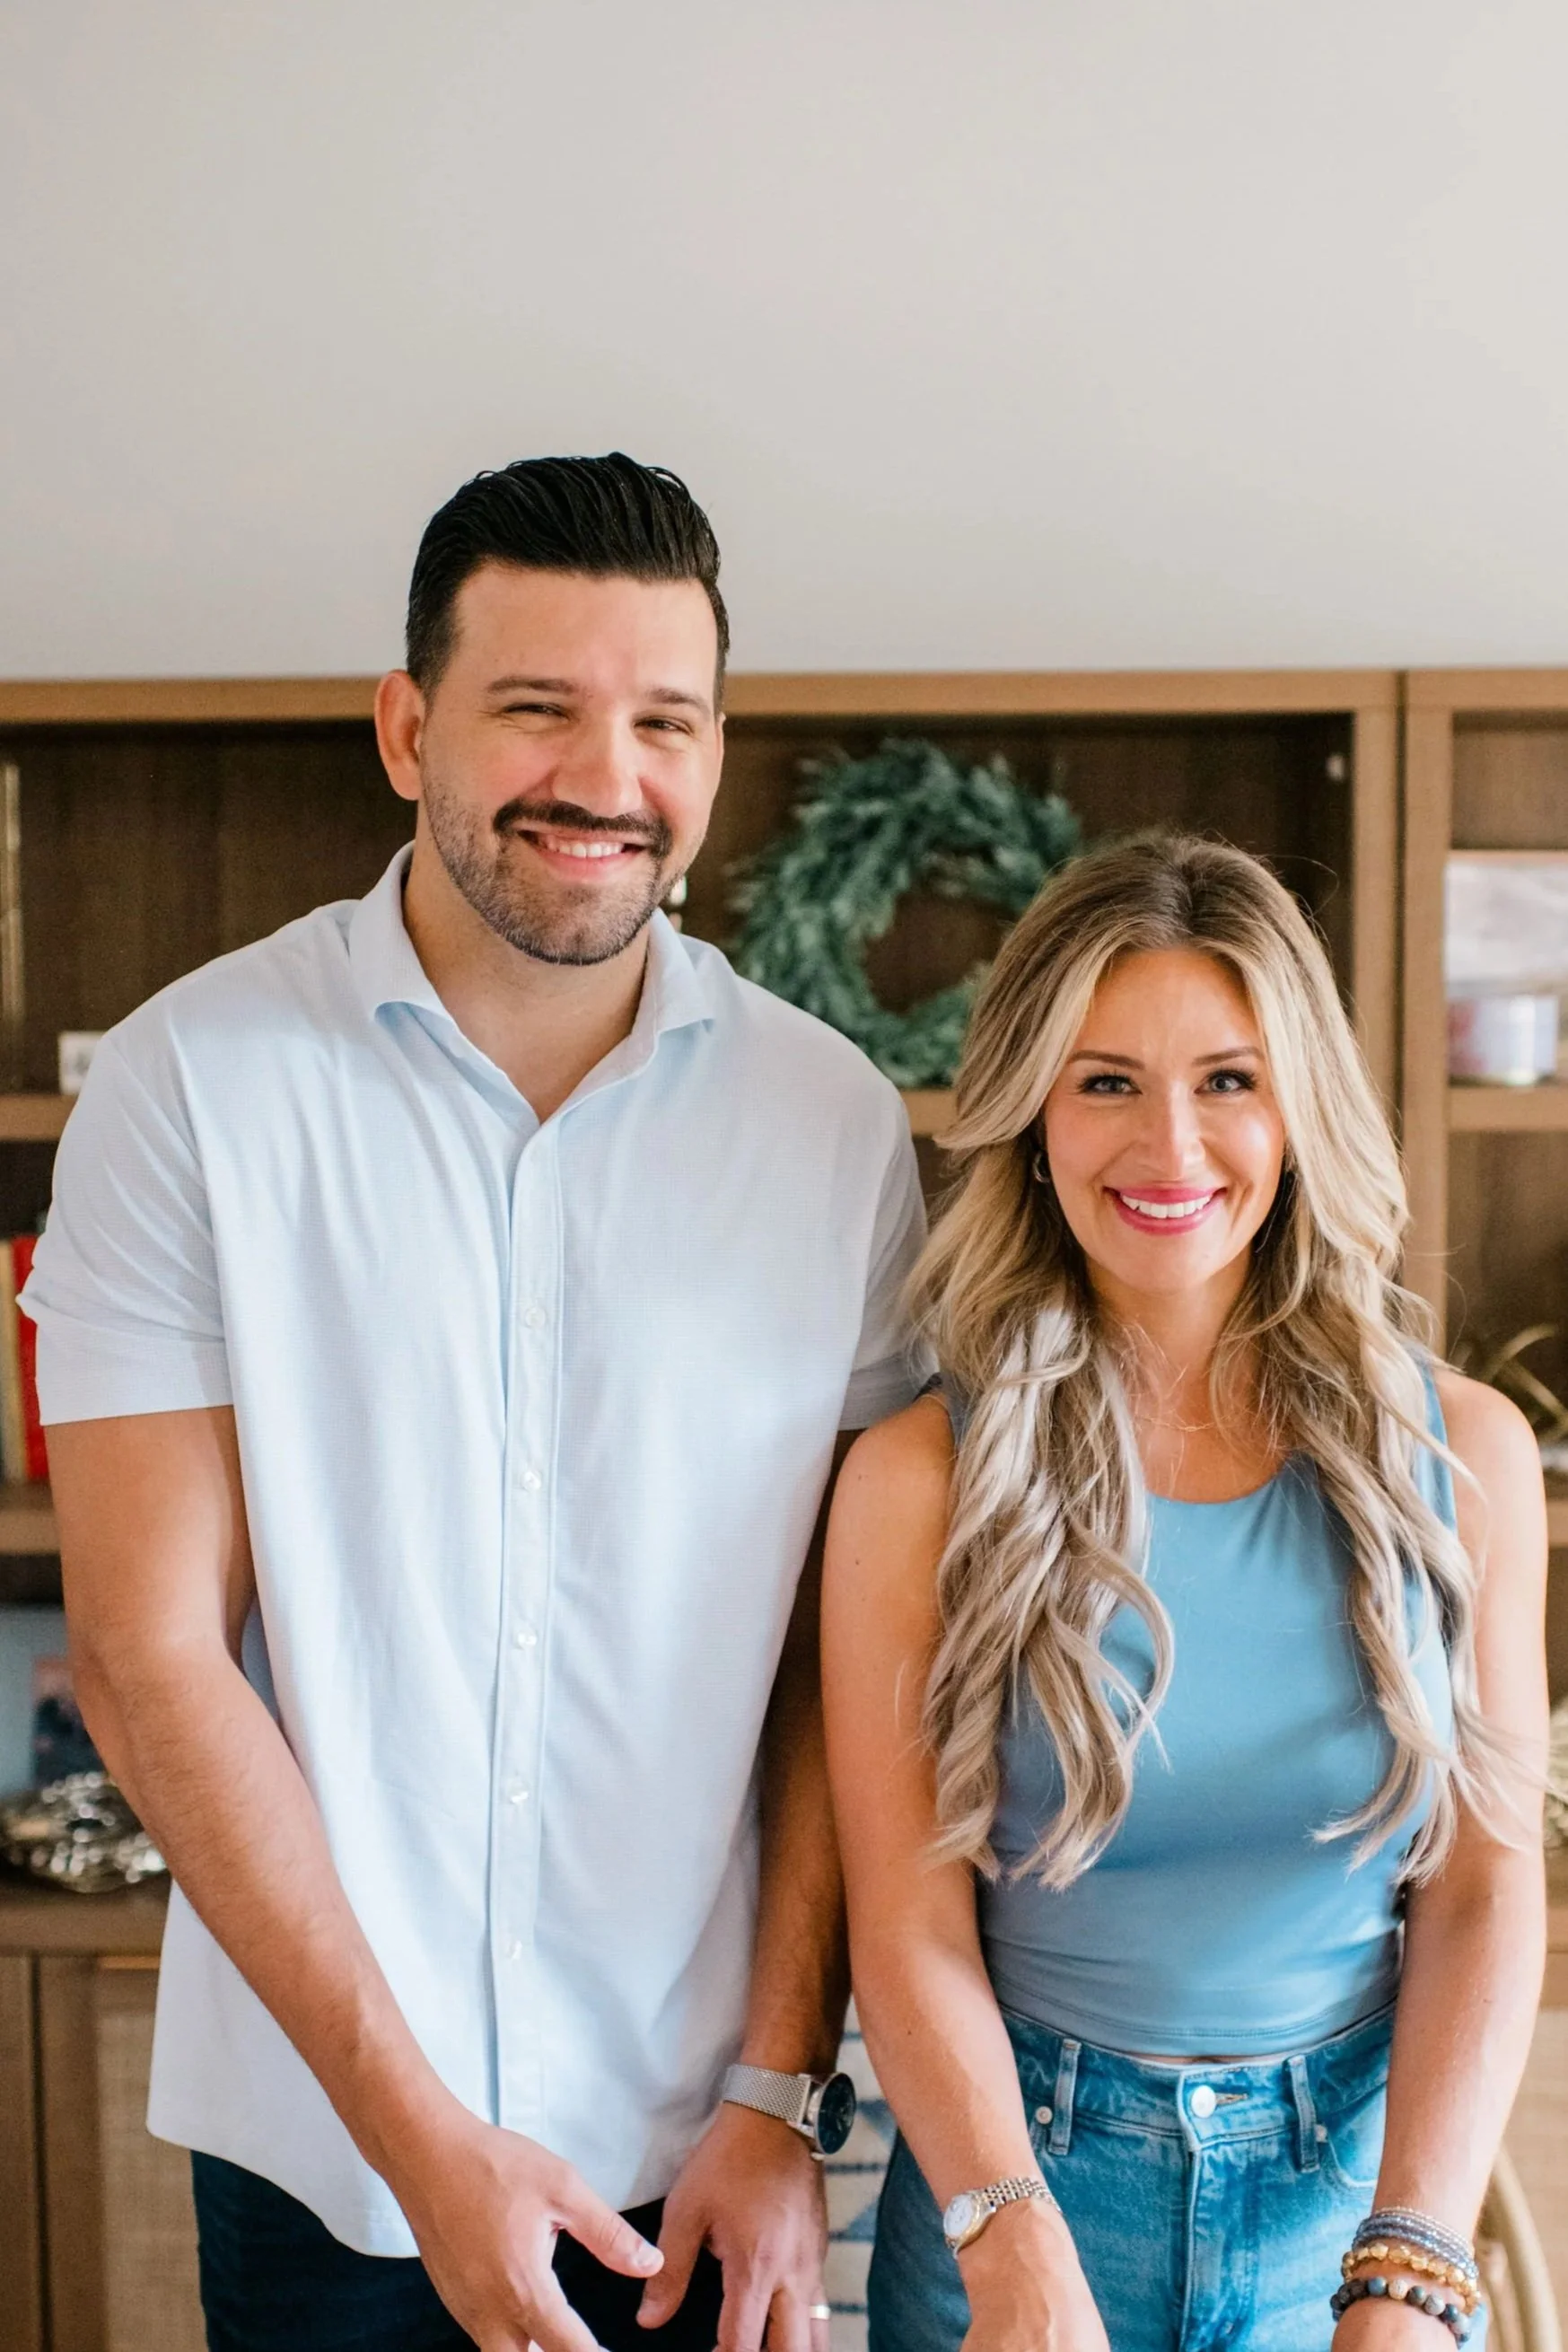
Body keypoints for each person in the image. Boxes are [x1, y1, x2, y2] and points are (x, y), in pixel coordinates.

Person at [26, 452, 928, 2352]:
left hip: (702, 2161)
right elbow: (143, 1651)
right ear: (406, 724)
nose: (604, 776)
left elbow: (834, 1666)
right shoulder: (194, 1089)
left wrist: (779, 2089)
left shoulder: (832, 1125)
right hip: (323, 2151)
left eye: (664, 719)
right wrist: (421, 2137)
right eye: (536, 706)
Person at [822, 834, 1548, 2352]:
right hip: (1013, 2190)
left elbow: (1482, 1889)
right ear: (1029, 1113)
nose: (1169, 1147)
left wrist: (1409, 2264)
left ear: (1297, 1109)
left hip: (1351, 2206)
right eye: (1104, 1082)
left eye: (1227, 1079)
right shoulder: (914, 1477)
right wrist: (1010, 2255)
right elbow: (906, 1917)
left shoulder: (1459, 1452)